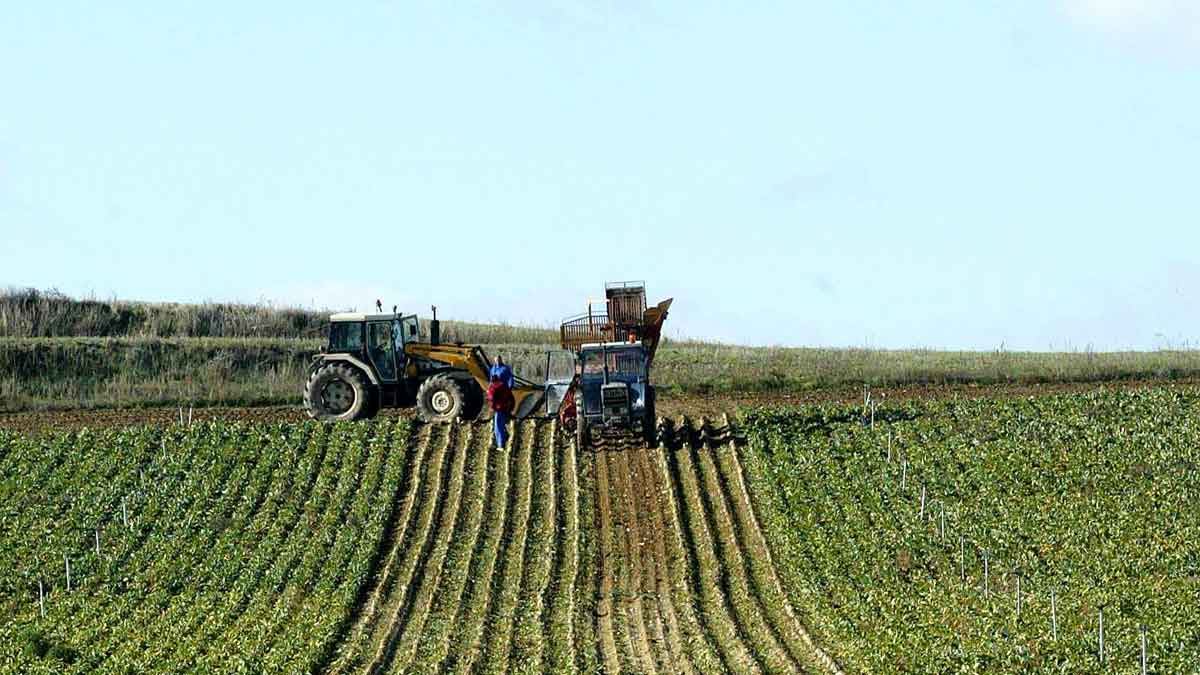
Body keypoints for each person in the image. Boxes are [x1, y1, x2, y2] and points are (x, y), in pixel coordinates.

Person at [487, 374, 515, 449]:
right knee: (502, 425)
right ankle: (505, 437)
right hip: (506, 408)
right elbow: (511, 397)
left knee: (497, 428)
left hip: (498, 409)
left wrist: (492, 408)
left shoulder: (493, 387)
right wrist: (511, 408)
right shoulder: (504, 386)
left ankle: (500, 445)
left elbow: (491, 398)